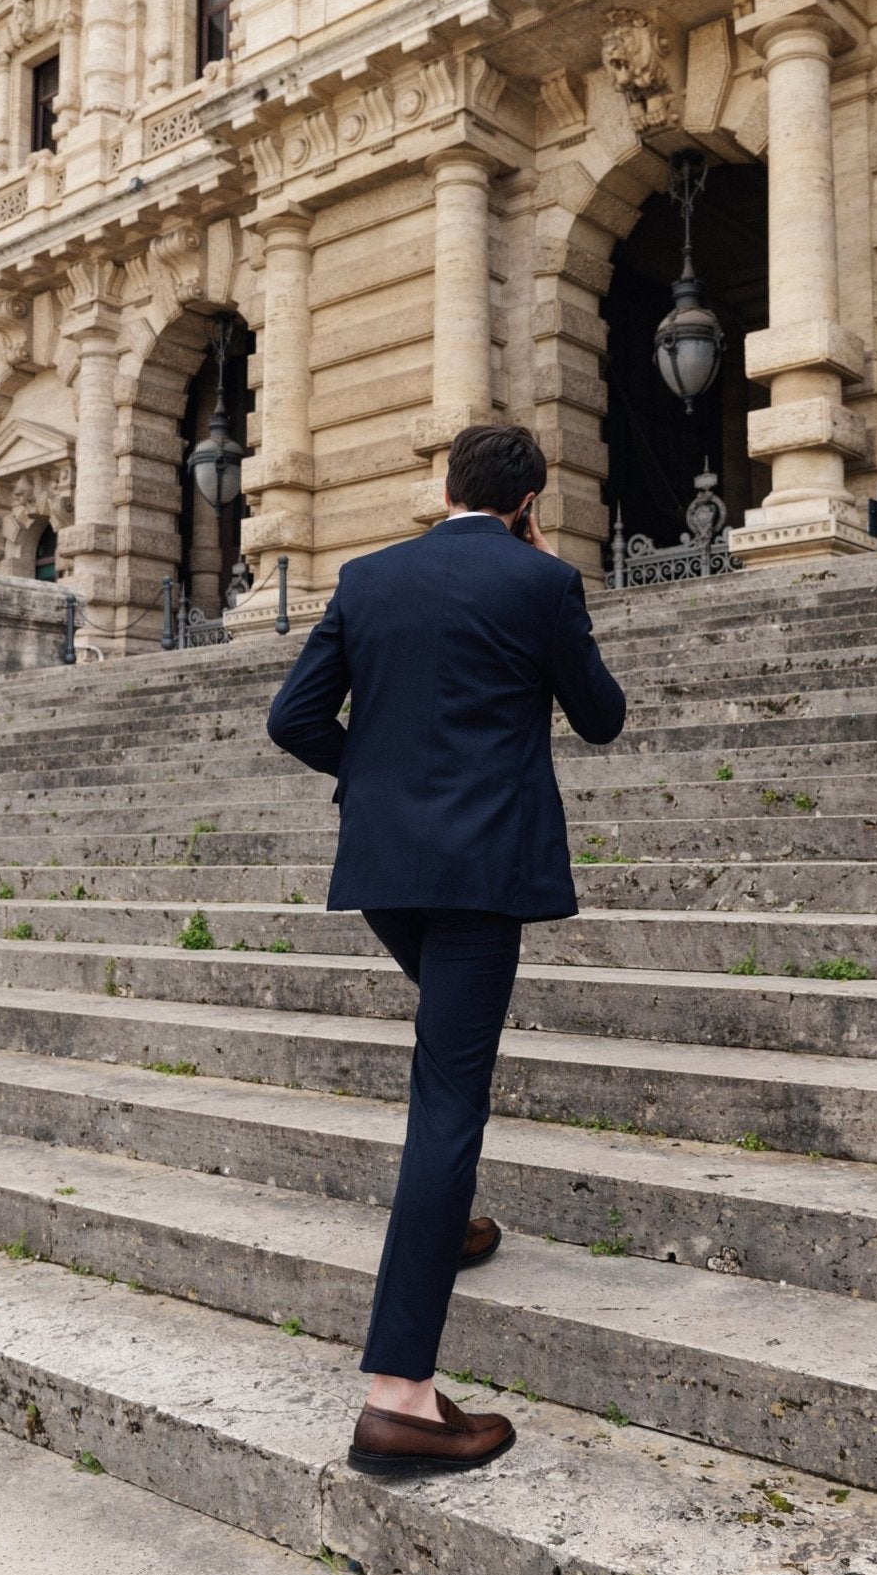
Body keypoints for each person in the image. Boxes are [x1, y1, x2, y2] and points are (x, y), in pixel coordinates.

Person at [265, 423, 626, 1475]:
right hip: (479, 872)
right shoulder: (540, 580)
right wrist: (542, 572)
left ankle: (450, 1214)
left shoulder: (368, 575)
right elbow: (600, 719)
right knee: (449, 1092)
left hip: (386, 867)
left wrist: (370, 776)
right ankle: (401, 1397)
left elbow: (292, 717)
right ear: (528, 502)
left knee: (445, 1057)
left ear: (444, 487)